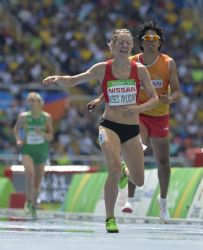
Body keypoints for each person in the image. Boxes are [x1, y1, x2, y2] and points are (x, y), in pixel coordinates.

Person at [43, 28, 159, 233]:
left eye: (127, 43)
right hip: (109, 125)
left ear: (132, 46)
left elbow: (154, 98)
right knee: (113, 168)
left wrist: (138, 108)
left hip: (132, 129)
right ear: (112, 46)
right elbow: (73, 80)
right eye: (120, 42)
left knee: (139, 181)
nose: (124, 46)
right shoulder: (101, 68)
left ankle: (125, 170)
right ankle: (110, 218)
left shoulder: (140, 69)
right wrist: (57, 78)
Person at [87, 21, 181, 223]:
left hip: (159, 113)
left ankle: (162, 202)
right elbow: (114, 84)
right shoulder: (130, 61)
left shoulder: (168, 63)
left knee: (163, 160)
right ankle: (129, 199)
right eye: (146, 38)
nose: (150, 42)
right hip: (136, 114)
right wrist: (100, 99)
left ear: (159, 42)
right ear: (139, 43)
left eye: (154, 39)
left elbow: (178, 91)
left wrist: (170, 99)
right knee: (139, 147)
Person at [13, 92, 53, 217]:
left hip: (41, 152)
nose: (30, 102)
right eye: (28, 100)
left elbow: (50, 136)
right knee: (30, 174)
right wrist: (18, 139)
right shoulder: (24, 116)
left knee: (37, 182)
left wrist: (41, 133)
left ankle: (35, 204)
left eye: (33, 100)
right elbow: (15, 129)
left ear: (39, 103)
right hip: (27, 150)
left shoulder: (46, 117)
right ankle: (28, 201)